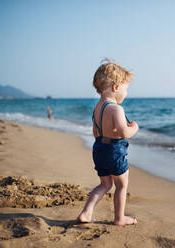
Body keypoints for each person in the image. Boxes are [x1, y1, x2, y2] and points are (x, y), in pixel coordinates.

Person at [77, 59, 139, 226]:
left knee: (104, 184)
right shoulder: (116, 108)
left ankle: (86, 212)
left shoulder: (98, 107)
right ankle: (119, 218)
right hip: (114, 150)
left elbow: (95, 131)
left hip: (99, 148)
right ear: (116, 87)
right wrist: (134, 127)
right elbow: (123, 131)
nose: (126, 93)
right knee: (121, 185)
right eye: (126, 89)